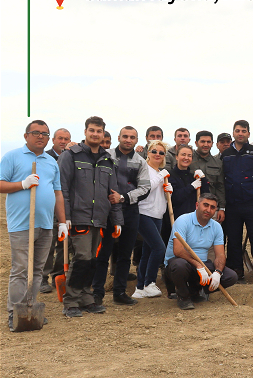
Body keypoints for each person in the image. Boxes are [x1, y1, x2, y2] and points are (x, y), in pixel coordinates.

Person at [1, 120, 67, 329]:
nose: (41, 136)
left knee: (37, 270)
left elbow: (58, 193)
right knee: (21, 269)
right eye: (36, 132)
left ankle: (30, 307)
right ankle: (14, 312)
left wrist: (62, 222)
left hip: (46, 224)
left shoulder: (51, 162)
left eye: (45, 134)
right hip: (21, 224)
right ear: (26, 135)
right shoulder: (12, 156)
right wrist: (22, 184)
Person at [58, 116, 123, 317]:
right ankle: (71, 301)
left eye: (99, 131)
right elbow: (62, 188)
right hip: (79, 217)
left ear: (103, 134)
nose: (95, 134)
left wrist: (117, 220)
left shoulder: (108, 160)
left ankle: (87, 298)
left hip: (100, 219)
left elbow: (113, 193)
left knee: (93, 259)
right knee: (82, 258)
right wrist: (65, 217)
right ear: (85, 131)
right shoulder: (71, 156)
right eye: (92, 130)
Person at [93, 126, 152, 306]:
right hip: (106, 211)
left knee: (125, 254)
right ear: (118, 137)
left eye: (132, 137)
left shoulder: (141, 162)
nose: (128, 140)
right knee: (103, 253)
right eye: (125, 136)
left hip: (130, 210)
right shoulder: (106, 156)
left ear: (136, 140)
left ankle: (119, 292)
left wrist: (123, 197)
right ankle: (96, 293)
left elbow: (145, 188)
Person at [163, 194, 237, 310]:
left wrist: (218, 273)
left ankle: (195, 291)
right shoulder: (183, 220)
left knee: (231, 276)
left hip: (202, 264)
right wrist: (198, 265)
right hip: (180, 263)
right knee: (179, 266)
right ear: (197, 205)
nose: (208, 210)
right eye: (205, 205)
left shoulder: (216, 227)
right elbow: (178, 251)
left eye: (212, 207)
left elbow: (220, 255)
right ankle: (183, 296)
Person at [220, 120, 253, 283]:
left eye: (243, 131)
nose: (240, 133)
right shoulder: (226, 155)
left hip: (252, 204)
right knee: (233, 239)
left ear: (248, 133)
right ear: (233, 133)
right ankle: (237, 271)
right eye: (237, 131)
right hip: (232, 205)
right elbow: (221, 181)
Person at [132, 139, 171, 299]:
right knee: (159, 248)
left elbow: (159, 195)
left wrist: (168, 190)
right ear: (148, 153)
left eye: (161, 152)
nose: (157, 154)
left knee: (148, 251)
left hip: (157, 215)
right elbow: (146, 188)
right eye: (154, 151)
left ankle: (140, 288)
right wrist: (161, 176)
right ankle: (150, 282)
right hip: (144, 213)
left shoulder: (159, 173)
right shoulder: (144, 168)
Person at [40, 127, 72, 293]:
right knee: (48, 243)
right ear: (53, 140)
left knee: (63, 243)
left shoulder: (71, 157)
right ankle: (42, 277)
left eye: (66, 139)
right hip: (48, 206)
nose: (63, 141)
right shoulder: (45, 157)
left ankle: (58, 275)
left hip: (65, 206)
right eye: (60, 138)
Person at [190, 130, 225, 223]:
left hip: (211, 208)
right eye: (202, 141)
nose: (206, 144)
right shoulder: (189, 159)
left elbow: (220, 186)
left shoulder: (218, 163)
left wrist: (222, 208)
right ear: (196, 143)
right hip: (191, 207)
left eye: (208, 142)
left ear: (212, 144)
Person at [168, 144, 210, 218]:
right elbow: (175, 198)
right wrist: (191, 187)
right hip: (176, 218)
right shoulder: (170, 175)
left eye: (189, 156)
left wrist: (203, 178)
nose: (186, 158)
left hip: (192, 218)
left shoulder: (193, 177)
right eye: (183, 155)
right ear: (177, 157)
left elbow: (206, 195)